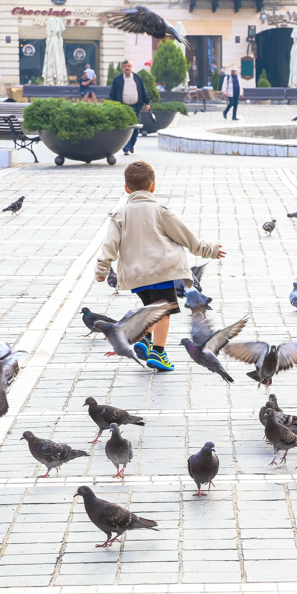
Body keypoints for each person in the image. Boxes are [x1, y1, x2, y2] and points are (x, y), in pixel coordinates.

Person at [95, 161, 227, 371]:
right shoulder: (162, 211)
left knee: (151, 309)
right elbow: (187, 239)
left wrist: (102, 270)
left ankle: (145, 341)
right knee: (163, 312)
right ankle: (158, 352)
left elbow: (108, 245)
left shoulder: (118, 216)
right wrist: (209, 250)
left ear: (127, 189)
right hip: (162, 273)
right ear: (153, 186)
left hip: (137, 277)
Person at [109, 60, 150, 155]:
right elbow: (112, 94)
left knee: (136, 129)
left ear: (131, 67)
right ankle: (126, 148)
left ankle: (131, 145)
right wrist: (113, 105)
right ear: (122, 68)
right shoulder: (117, 79)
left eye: (128, 66)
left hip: (136, 107)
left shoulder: (138, 78)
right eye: (124, 66)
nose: (127, 68)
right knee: (125, 128)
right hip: (123, 108)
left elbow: (143, 92)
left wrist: (147, 103)